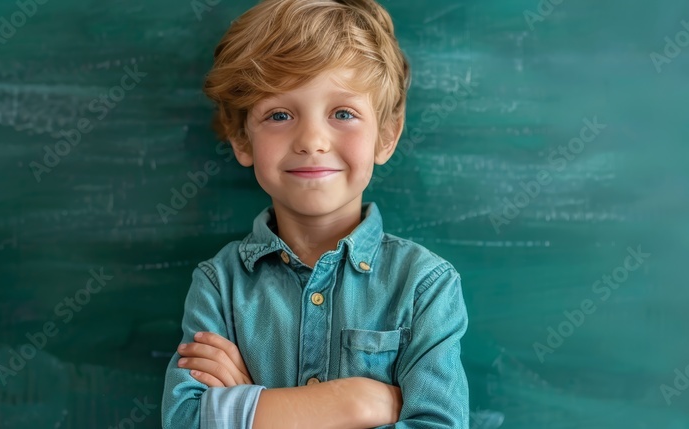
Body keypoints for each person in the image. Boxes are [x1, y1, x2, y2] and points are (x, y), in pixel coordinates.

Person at [160, 1, 470, 427]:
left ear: (386, 136)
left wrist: (250, 408)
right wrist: (356, 402)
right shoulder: (220, 285)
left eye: (343, 113)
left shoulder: (424, 287)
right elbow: (185, 419)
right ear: (241, 139)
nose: (312, 140)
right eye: (280, 114)